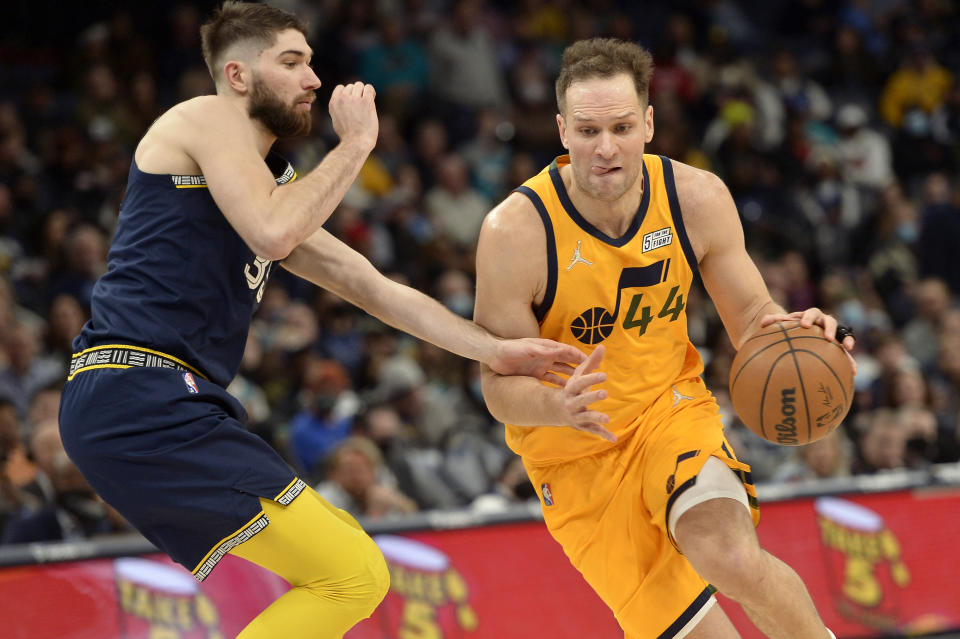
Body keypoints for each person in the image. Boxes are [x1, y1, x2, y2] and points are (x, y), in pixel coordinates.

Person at [57, 3, 585, 638]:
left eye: (310, 61)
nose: (313, 79)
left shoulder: (269, 182)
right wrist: (358, 143)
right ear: (237, 75)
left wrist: (493, 352)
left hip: (158, 401)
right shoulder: (204, 116)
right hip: (141, 394)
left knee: (352, 555)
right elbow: (274, 232)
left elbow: (371, 286)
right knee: (354, 573)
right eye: (291, 62)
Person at [473, 38, 856, 639]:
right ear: (561, 131)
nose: (606, 148)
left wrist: (801, 332)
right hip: (572, 458)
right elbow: (497, 387)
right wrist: (556, 404)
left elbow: (754, 314)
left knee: (728, 555)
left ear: (648, 123)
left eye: (622, 126)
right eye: (588, 130)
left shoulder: (696, 197)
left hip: (666, 410)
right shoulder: (513, 233)